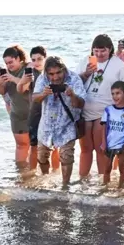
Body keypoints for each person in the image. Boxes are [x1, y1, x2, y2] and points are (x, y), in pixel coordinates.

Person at [78, 34, 124, 179]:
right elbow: (75, 82)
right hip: (86, 109)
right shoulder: (85, 61)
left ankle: (103, 183)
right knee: (86, 149)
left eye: (103, 51)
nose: (99, 54)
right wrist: (86, 73)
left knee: (101, 149)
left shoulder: (118, 65)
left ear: (110, 49)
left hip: (106, 111)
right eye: (96, 51)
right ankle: (82, 181)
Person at [32, 56, 86, 186]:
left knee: (66, 157)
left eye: (58, 73)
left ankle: (65, 186)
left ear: (64, 69)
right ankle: (46, 181)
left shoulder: (74, 79)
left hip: (67, 124)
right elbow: (34, 98)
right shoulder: (42, 78)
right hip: (46, 125)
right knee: (41, 156)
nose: (55, 77)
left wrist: (72, 95)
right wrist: (43, 94)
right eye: (51, 74)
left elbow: (81, 104)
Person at [19, 45, 58, 171]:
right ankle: (32, 175)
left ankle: (55, 174)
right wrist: (24, 80)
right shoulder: (30, 74)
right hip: (35, 114)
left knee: (55, 147)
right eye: (33, 59)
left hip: (52, 115)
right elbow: (21, 90)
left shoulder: (53, 74)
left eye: (40, 59)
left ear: (45, 59)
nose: (36, 62)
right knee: (34, 146)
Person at [0, 45, 34, 171]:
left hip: (33, 113)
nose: (9, 65)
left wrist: (12, 78)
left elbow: (25, 86)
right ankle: (21, 173)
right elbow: (2, 92)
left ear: (18, 59)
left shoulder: (27, 68)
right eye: (6, 63)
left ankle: (36, 173)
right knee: (21, 146)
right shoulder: (6, 73)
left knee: (35, 146)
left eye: (11, 62)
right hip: (17, 115)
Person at [100, 81, 124, 187]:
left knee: (122, 169)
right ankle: (105, 189)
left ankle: (121, 191)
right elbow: (104, 128)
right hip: (109, 144)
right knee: (106, 169)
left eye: (118, 93)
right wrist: (104, 143)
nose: (115, 96)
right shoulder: (108, 110)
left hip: (122, 145)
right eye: (113, 93)